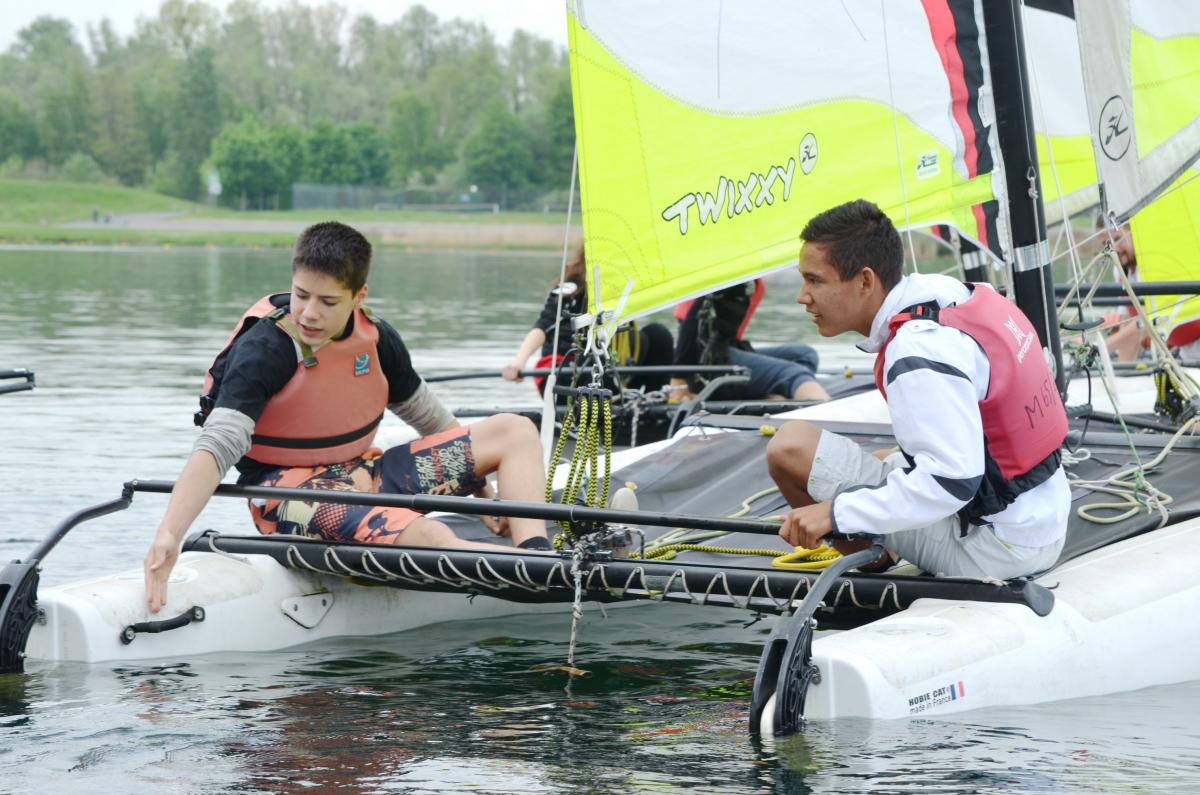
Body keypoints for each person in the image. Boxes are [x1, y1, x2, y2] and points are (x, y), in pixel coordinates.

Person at [144, 222, 551, 613]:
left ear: (359, 296)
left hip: (364, 477)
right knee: (430, 534)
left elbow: (430, 418)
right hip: (288, 496)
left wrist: (484, 497)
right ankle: (536, 574)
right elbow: (216, 448)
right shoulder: (264, 350)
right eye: (301, 295)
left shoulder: (376, 338)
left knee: (514, 429)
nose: (309, 313)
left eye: (328, 302)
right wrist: (169, 535)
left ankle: (536, 552)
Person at [766, 199, 1070, 580]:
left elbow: (952, 482)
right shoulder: (949, 293)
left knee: (789, 447)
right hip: (1042, 520)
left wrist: (834, 514)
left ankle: (875, 557)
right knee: (885, 457)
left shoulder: (915, 349)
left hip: (997, 550)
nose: (802, 296)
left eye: (815, 280)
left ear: (865, 281)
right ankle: (881, 535)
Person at [502, 244, 674, 393]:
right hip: (566, 373)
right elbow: (542, 328)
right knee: (599, 355)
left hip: (612, 373)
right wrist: (519, 362)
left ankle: (651, 405)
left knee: (658, 334)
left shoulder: (627, 290)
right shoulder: (571, 289)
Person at [669, 279, 830, 402]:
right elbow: (690, 323)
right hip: (707, 360)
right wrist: (678, 380)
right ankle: (825, 413)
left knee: (805, 355)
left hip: (727, 347)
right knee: (792, 373)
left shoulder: (747, 275)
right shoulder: (724, 274)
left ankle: (776, 394)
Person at [1096, 218, 1149, 362]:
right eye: (1106, 244)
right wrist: (1123, 369)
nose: (1114, 249)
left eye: (1117, 239)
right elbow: (1127, 321)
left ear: (1133, 232)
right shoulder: (1120, 271)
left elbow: (1146, 322)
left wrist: (1097, 348)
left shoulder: (1149, 266)